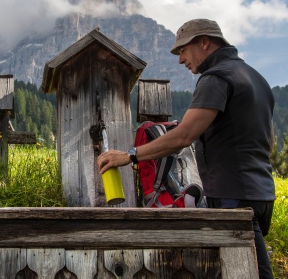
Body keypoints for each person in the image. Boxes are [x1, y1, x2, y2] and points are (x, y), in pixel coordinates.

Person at [97, 18, 275, 279]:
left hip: (232, 197)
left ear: (204, 42)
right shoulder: (257, 79)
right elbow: (267, 141)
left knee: (248, 273)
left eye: (182, 50)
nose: (181, 59)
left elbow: (184, 136)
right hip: (261, 195)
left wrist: (129, 155)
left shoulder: (216, 77)